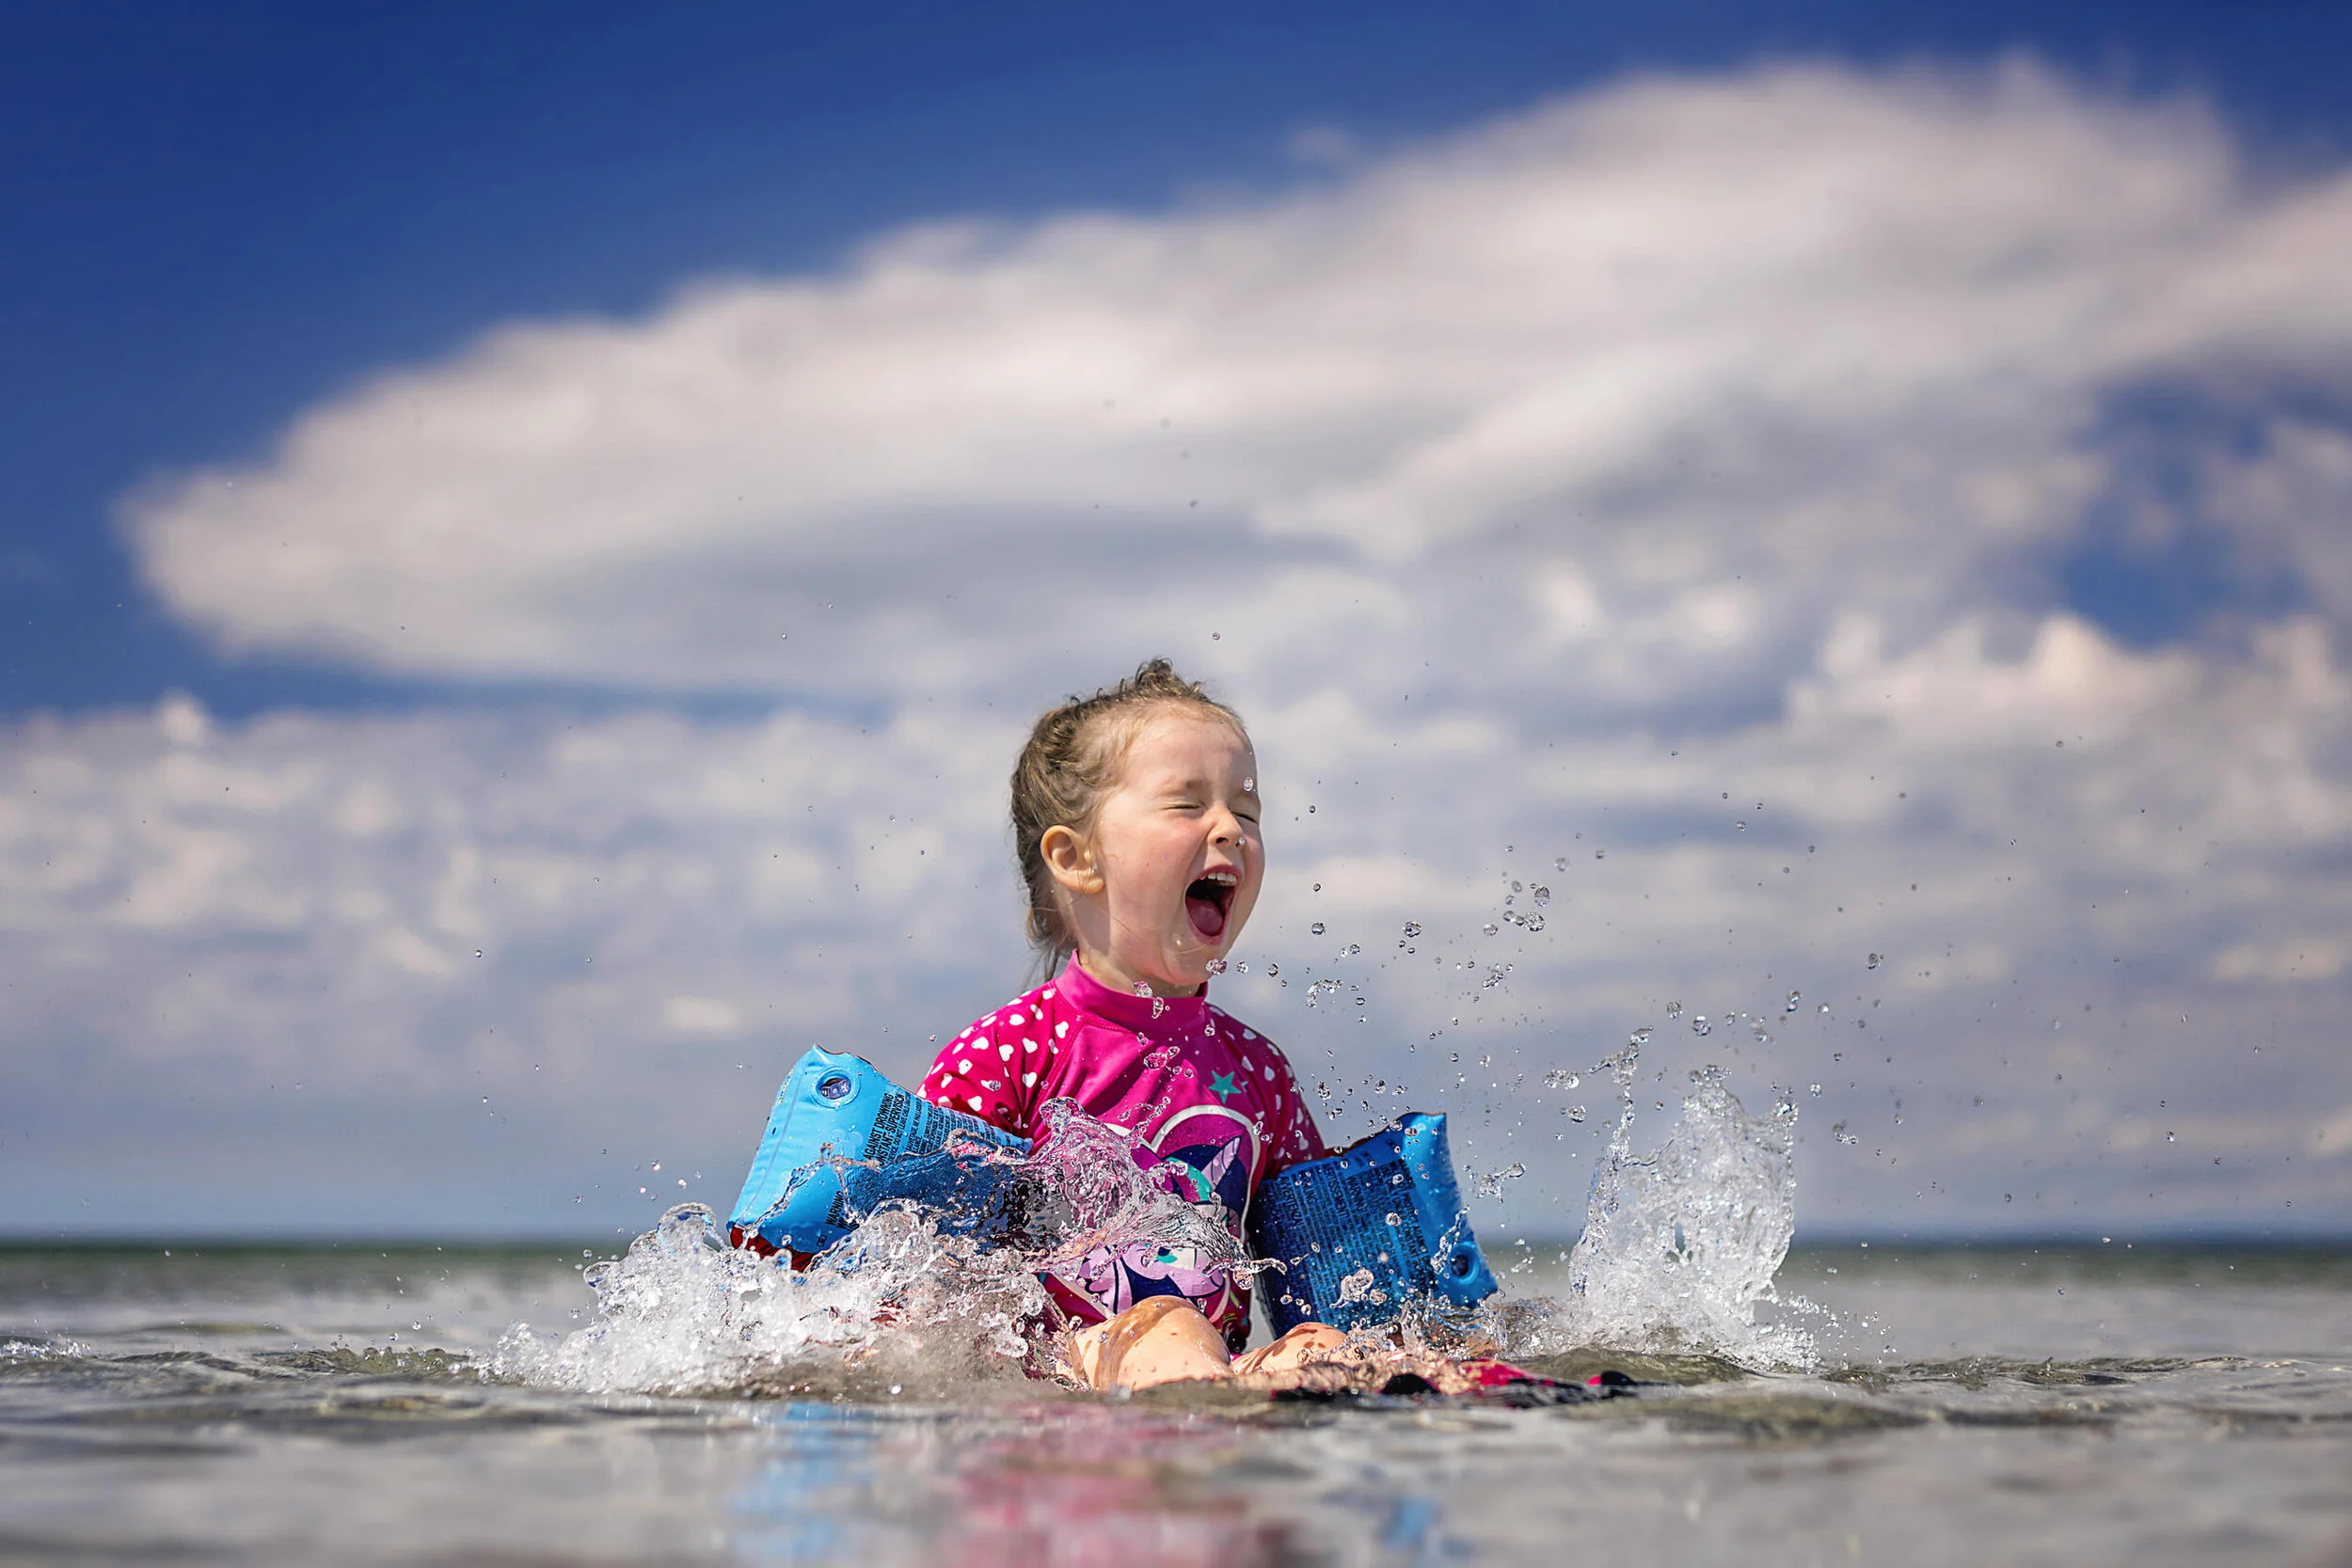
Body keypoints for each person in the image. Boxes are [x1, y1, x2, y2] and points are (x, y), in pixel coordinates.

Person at [914, 658, 1350, 1390]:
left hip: (1205, 1375)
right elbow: (924, 1278)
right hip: (1053, 1383)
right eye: (1187, 805)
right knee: (1168, 1328)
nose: (1230, 829)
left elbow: (1325, 1271)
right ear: (1077, 858)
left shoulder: (1257, 1069)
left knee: (1320, 1347)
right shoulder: (1009, 1053)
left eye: (1247, 812)